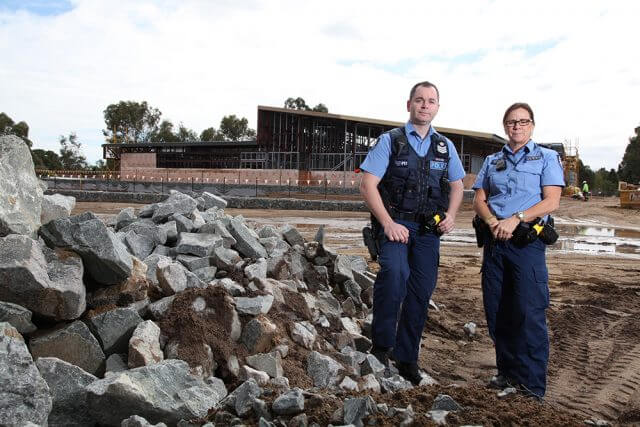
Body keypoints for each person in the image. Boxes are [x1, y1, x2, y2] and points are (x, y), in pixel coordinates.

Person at [359, 81, 465, 385]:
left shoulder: (445, 146)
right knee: (394, 275)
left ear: (437, 108)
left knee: (421, 291)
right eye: (419, 100)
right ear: (409, 105)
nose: (425, 105)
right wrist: (388, 223)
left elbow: (457, 185)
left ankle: (407, 359)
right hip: (395, 226)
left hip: (428, 232)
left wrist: (452, 215)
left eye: (431, 101)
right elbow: (368, 185)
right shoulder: (389, 142)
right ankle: (381, 346)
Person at [472, 102, 564, 400]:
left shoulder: (547, 157)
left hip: (526, 244)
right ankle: (507, 373)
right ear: (505, 126)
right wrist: (491, 221)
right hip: (495, 243)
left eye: (523, 122)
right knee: (497, 310)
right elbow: (480, 199)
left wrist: (516, 219)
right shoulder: (492, 160)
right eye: (512, 122)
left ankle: (533, 386)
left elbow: (551, 202)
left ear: (532, 126)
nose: (517, 127)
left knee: (528, 313)